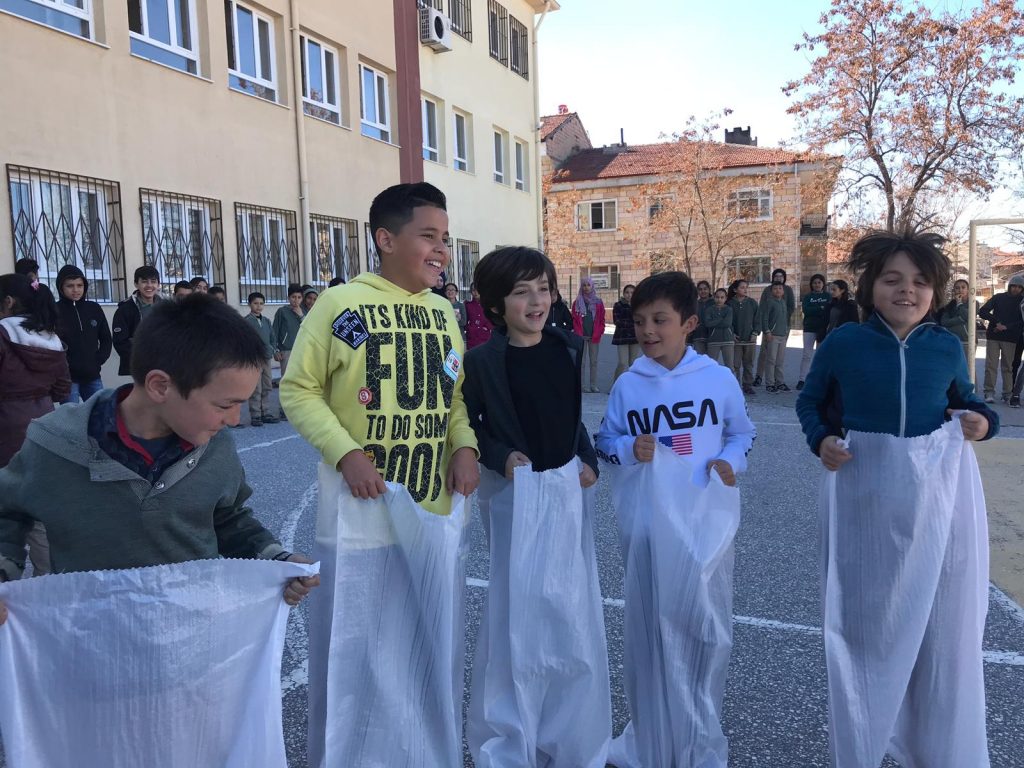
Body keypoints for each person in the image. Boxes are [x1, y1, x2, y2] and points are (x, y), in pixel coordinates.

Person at [279, 182, 479, 766]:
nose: (441, 250)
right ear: (385, 239)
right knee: (358, 657)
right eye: (428, 236)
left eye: (446, 238)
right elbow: (299, 389)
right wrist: (346, 452)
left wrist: (464, 445)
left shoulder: (443, 313)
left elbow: (454, 397)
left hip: (432, 514)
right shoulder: (340, 306)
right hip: (359, 520)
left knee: (425, 649)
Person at [795, 229, 997, 768]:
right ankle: (862, 744)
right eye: (892, 279)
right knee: (863, 625)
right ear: (870, 287)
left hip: (934, 503)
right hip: (862, 496)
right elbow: (810, 402)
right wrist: (822, 439)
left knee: (937, 628)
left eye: (920, 281)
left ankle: (932, 746)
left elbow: (968, 400)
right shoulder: (844, 343)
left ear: (935, 292)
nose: (907, 290)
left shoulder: (946, 347)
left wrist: (983, 423)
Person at [0, 293, 319, 627]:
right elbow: (7, 511)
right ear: (160, 386)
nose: (235, 419)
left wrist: (277, 560)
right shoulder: (55, 444)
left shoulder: (216, 445)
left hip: (191, 636)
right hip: (88, 638)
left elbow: (228, 517)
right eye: (226, 405)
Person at [595, 271, 756, 767]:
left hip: (703, 526)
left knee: (702, 631)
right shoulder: (628, 384)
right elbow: (605, 441)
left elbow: (742, 433)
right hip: (646, 526)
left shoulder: (716, 378)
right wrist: (628, 447)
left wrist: (730, 462)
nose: (648, 330)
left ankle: (697, 735)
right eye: (640, 321)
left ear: (688, 323)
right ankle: (650, 735)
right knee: (649, 632)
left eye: (660, 320)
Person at [462, 246, 607, 766]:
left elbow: (571, 415)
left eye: (543, 289)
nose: (536, 301)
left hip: (566, 493)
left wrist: (588, 458)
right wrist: (500, 456)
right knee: (517, 611)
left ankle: (567, 731)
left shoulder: (568, 346)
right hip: (514, 497)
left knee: (568, 609)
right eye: (521, 292)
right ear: (495, 305)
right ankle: (510, 733)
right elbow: (470, 423)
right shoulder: (482, 362)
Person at [0, 273, 70, 576]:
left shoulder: (2, 335)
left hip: (5, 426)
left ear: (8, 301)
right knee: (38, 508)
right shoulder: (50, 338)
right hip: (42, 425)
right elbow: (63, 389)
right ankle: (48, 582)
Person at [55, 264, 112, 403]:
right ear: (61, 287)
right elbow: (51, 343)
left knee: (100, 411)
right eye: (70, 286)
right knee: (71, 414)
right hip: (68, 378)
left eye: (79, 285)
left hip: (93, 376)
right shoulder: (55, 310)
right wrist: (65, 365)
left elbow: (106, 338)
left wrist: (98, 360)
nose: (76, 290)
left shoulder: (94, 308)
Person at [978, 274, 1024, 403]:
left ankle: (1007, 393)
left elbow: (1022, 321)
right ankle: (989, 392)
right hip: (994, 335)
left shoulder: (1022, 302)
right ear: (1009, 286)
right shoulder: (998, 297)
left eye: (1019, 287)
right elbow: (983, 311)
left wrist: (1006, 327)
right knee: (991, 365)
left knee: (1008, 367)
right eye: (1014, 286)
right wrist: (996, 322)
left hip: (1011, 338)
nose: (1016, 289)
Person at [112, 265, 161, 376]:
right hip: (136, 368)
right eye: (144, 281)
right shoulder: (125, 309)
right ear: (136, 284)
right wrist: (141, 360)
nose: (149, 285)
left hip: (163, 366)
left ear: (158, 284)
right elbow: (120, 342)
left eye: (153, 281)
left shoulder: (166, 307)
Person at [754, 268, 795, 386]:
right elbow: (762, 308)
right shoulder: (768, 290)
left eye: (781, 276)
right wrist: (764, 327)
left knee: (779, 355)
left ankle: (778, 380)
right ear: (773, 277)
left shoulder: (788, 290)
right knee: (764, 353)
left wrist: (782, 317)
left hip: (783, 327)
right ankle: (759, 376)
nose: (779, 278)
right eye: (776, 276)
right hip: (769, 327)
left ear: (784, 278)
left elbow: (791, 306)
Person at [243, 292, 277, 427]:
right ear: (249, 304)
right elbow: (244, 340)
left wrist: (272, 349)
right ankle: (256, 414)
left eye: (261, 303)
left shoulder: (266, 321)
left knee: (267, 385)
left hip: (266, 358)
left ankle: (266, 412)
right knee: (256, 387)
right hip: (254, 360)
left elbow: (272, 338)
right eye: (255, 303)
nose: (258, 306)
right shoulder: (246, 322)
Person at [271, 283, 305, 418]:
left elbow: (308, 328)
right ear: (288, 297)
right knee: (286, 381)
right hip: (286, 350)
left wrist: (301, 315)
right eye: (293, 297)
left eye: (299, 297)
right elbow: (274, 331)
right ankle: (284, 409)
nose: (296, 300)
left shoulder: (304, 312)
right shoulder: (282, 311)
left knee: (300, 381)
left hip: (301, 350)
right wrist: (275, 349)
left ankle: (297, 408)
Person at [572, 276, 606, 393]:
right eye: (584, 285)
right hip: (581, 336)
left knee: (594, 361)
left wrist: (600, 331)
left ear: (592, 286)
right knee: (581, 362)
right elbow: (574, 319)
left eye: (588, 285)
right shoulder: (577, 302)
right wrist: (577, 332)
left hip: (594, 336)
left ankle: (593, 385)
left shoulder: (598, 302)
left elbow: (601, 319)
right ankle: (581, 385)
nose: (586, 287)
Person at [798, 273, 830, 389]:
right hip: (809, 328)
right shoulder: (808, 297)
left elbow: (828, 310)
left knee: (821, 355)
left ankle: (820, 380)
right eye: (815, 283)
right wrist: (820, 308)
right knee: (807, 355)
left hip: (823, 329)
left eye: (819, 283)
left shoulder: (828, 296)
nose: (817, 285)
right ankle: (802, 380)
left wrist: (816, 310)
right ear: (811, 285)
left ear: (823, 284)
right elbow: (806, 310)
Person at [728, 279, 759, 394]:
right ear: (735, 290)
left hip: (750, 339)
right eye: (742, 287)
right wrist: (731, 333)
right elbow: (727, 322)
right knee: (735, 364)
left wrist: (755, 332)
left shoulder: (752, 303)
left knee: (748, 363)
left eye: (746, 287)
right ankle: (735, 385)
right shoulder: (729, 304)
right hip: (736, 340)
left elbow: (758, 319)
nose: (745, 289)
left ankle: (747, 385)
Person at [762, 281, 791, 392]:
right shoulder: (769, 302)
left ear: (783, 291)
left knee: (780, 361)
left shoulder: (783, 302)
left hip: (782, 336)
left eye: (780, 288)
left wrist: (786, 331)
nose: (777, 290)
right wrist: (767, 331)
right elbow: (765, 318)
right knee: (771, 360)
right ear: (771, 291)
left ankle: (780, 382)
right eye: (775, 288)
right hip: (772, 336)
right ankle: (770, 384)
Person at [938, 278, 972, 363]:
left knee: (967, 366)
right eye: (957, 288)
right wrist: (960, 319)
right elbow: (944, 322)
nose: (960, 290)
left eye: (963, 287)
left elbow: (967, 316)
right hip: (952, 339)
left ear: (968, 290)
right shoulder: (950, 305)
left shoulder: (973, 303)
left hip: (967, 341)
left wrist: (959, 303)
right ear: (954, 290)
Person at [612, 284, 640, 382]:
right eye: (627, 292)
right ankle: (616, 384)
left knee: (633, 363)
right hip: (622, 336)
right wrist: (633, 323)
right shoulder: (618, 305)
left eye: (632, 293)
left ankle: (630, 385)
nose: (629, 295)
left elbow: (641, 320)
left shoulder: (638, 306)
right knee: (623, 363)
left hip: (635, 337)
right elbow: (617, 321)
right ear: (624, 294)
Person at [703, 287, 735, 369]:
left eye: (722, 297)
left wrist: (714, 321)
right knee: (711, 366)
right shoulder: (709, 309)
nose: (719, 299)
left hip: (727, 340)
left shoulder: (729, 309)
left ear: (726, 298)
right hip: (713, 340)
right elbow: (708, 323)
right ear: (714, 297)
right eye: (717, 297)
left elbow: (727, 323)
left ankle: (729, 378)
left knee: (729, 366)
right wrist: (721, 319)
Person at [465, 281, 493, 350]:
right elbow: (465, 321)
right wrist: (470, 328)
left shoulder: (488, 305)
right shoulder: (468, 305)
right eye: (473, 290)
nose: (476, 292)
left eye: (478, 290)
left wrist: (487, 327)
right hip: (472, 338)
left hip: (485, 337)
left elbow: (493, 318)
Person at [691, 280, 712, 355]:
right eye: (700, 289)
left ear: (709, 290)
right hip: (698, 336)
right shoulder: (694, 304)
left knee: (711, 361)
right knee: (700, 360)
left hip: (712, 337)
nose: (703, 291)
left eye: (705, 289)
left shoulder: (715, 303)